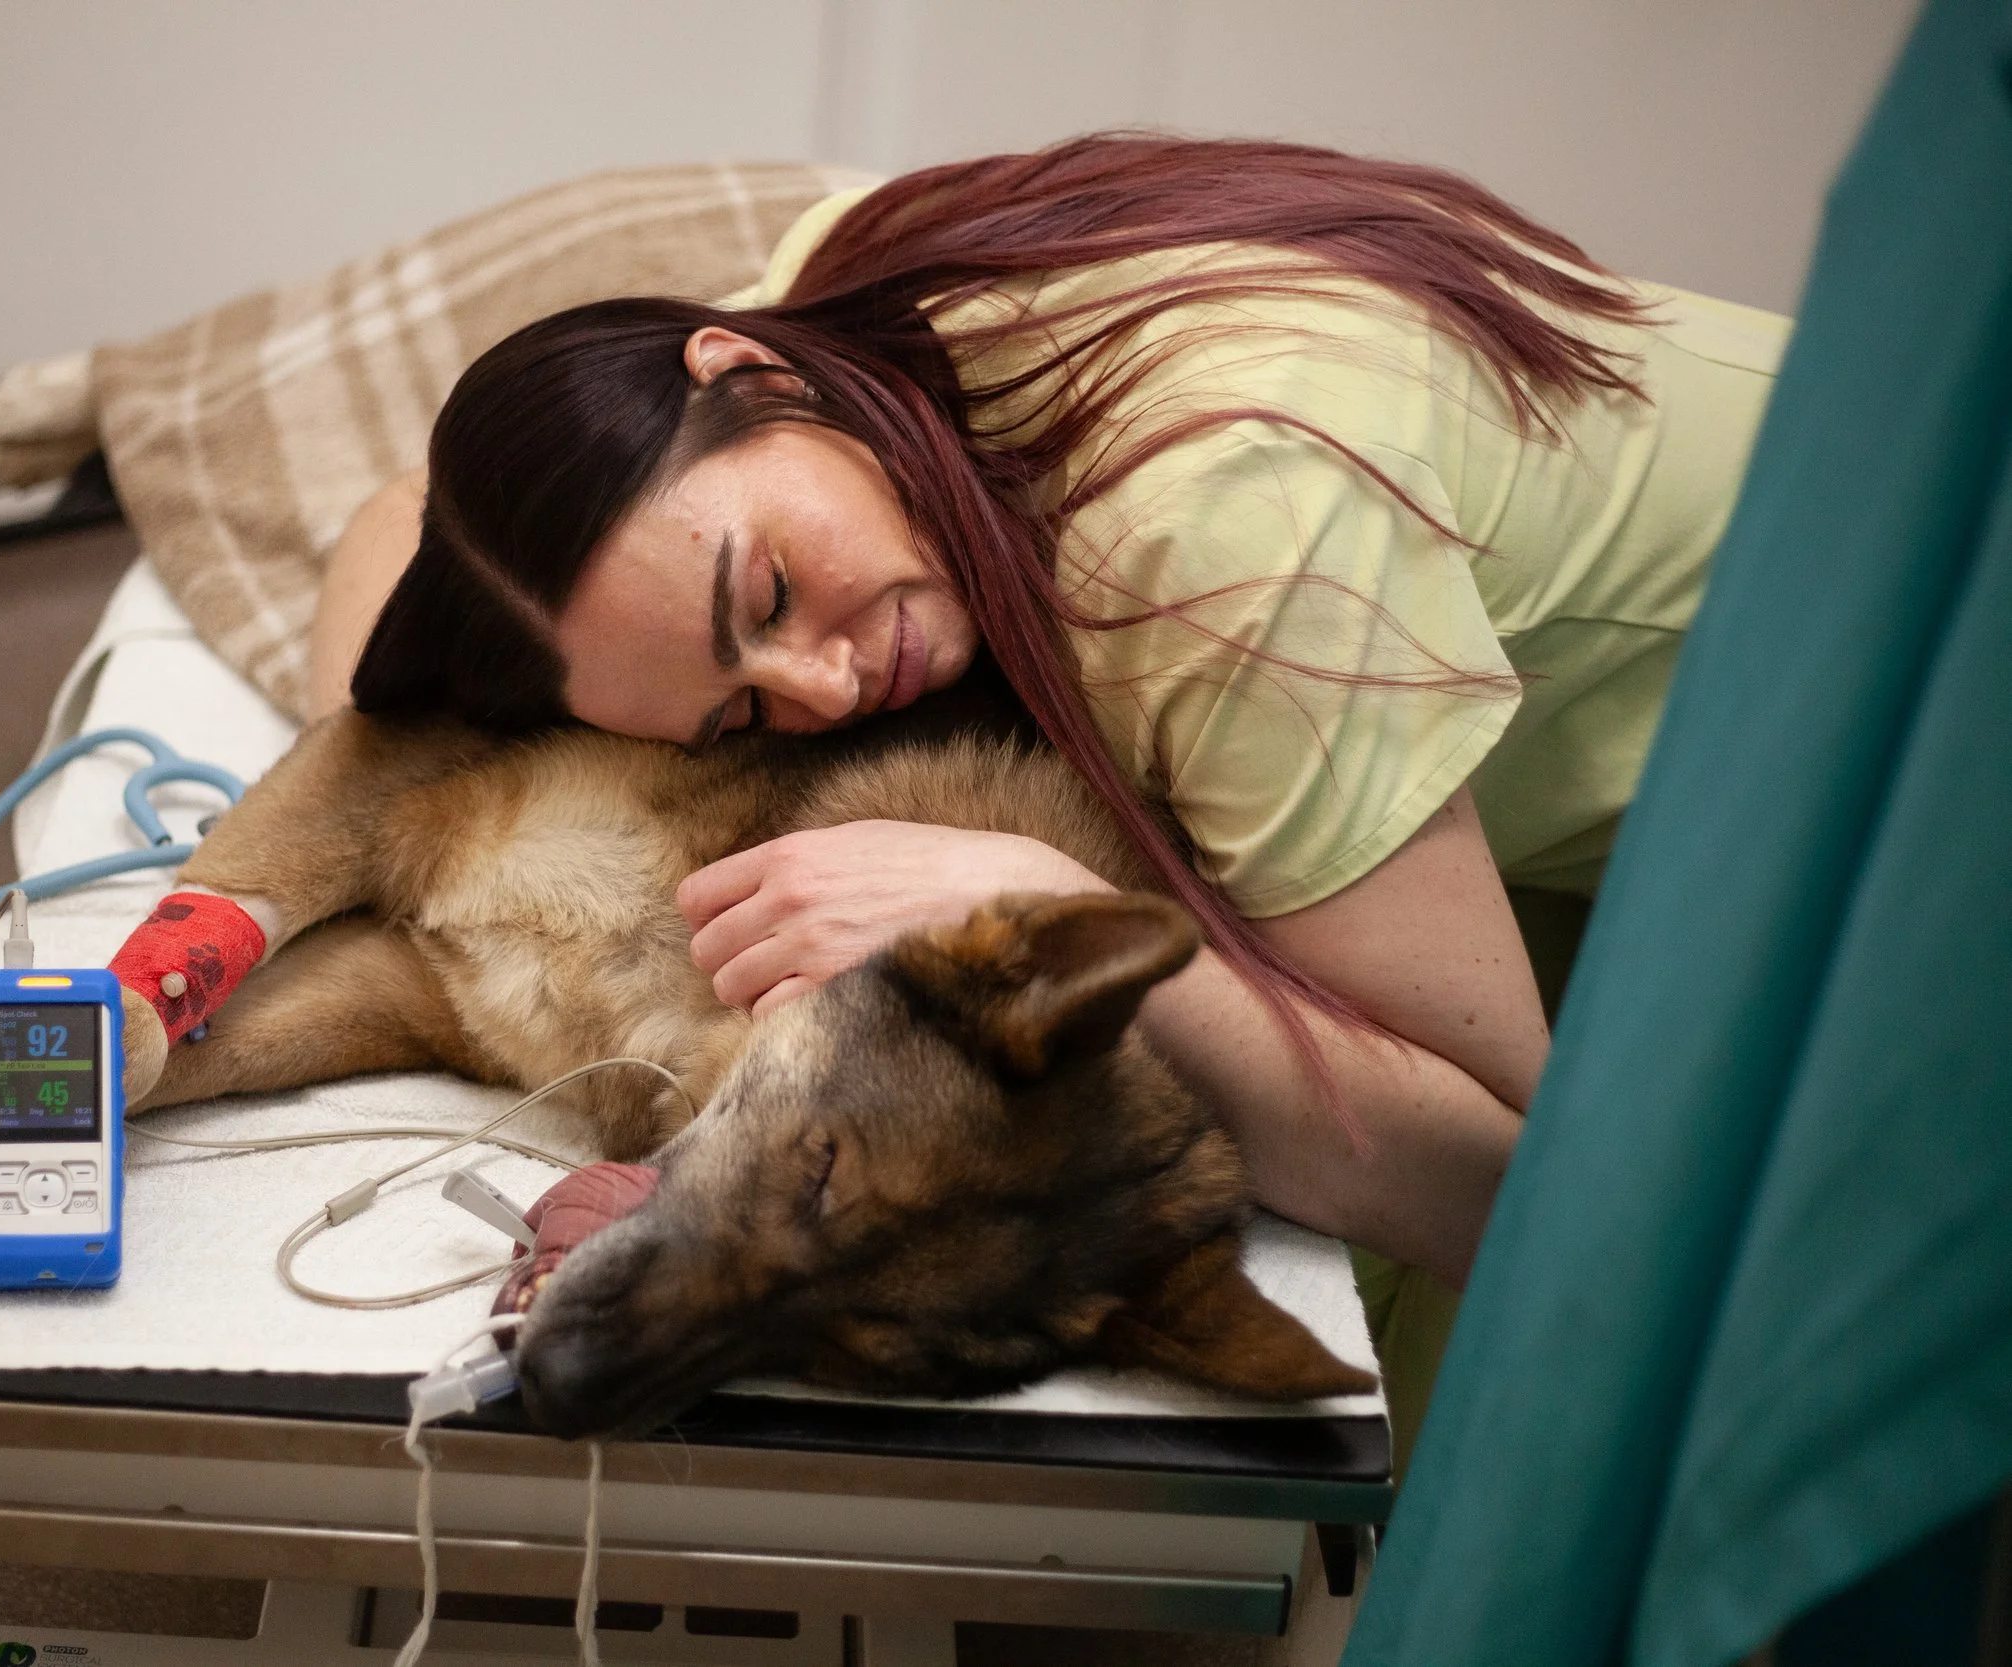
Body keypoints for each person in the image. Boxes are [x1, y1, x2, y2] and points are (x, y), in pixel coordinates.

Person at [301, 135, 1787, 1457]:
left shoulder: (1217, 540)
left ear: (741, 374)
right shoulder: (846, 321)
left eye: (765, 590)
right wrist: (364, 793)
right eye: (743, 706)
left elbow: (1524, 1201)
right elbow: (395, 518)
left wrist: (1037, 908)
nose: (818, 690)